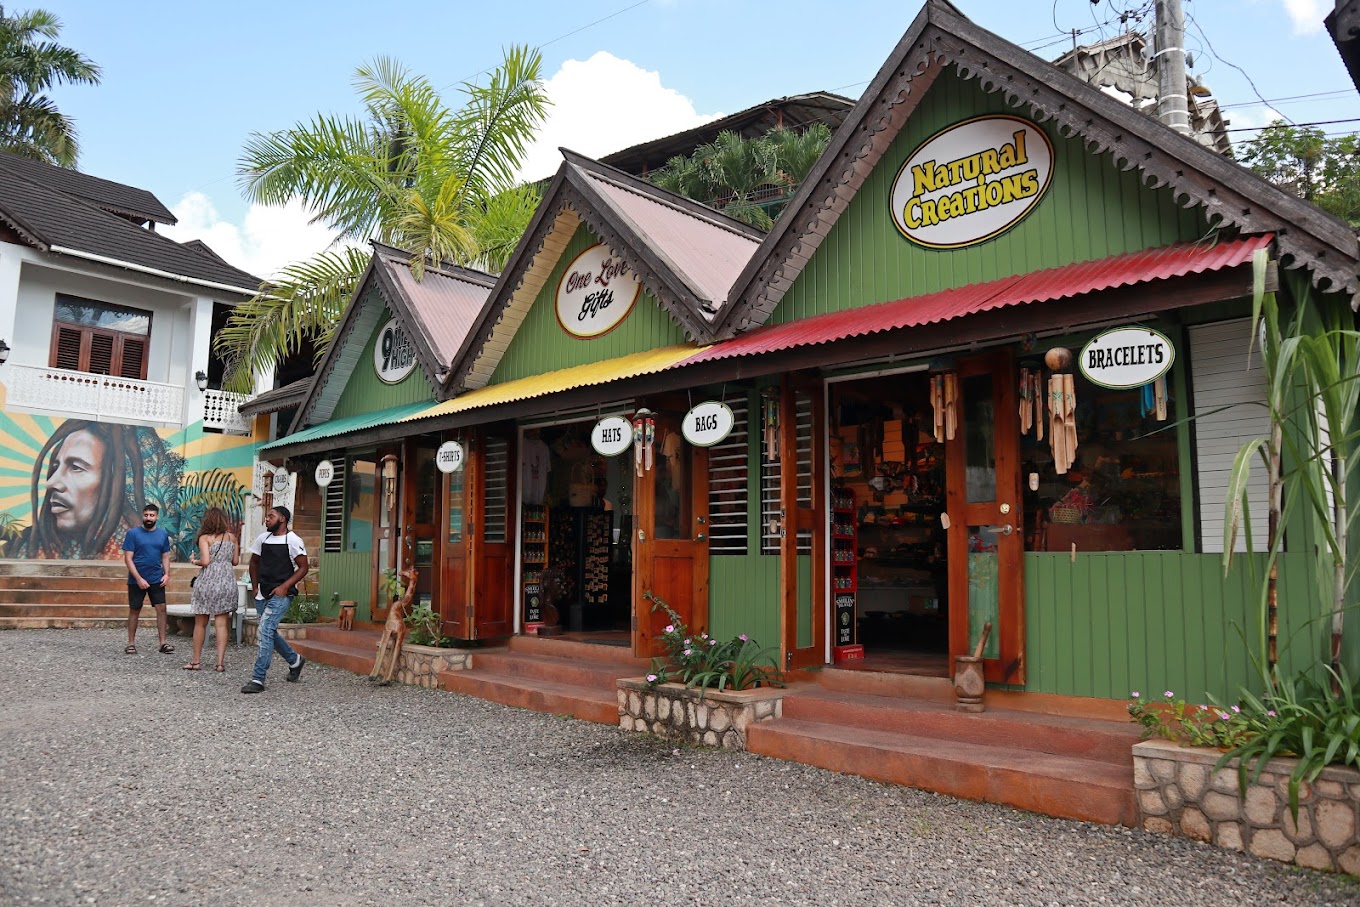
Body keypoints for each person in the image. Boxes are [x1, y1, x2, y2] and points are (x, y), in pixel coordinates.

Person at [24, 421, 146, 560]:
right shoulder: (26, 546)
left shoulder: (139, 552)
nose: (51, 483)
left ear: (113, 481)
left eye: (76, 467)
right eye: (55, 467)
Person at [241, 505, 308, 693]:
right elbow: (254, 562)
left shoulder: (294, 540)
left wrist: (285, 587)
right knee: (269, 630)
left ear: (282, 519)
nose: (266, 519)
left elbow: (303, 567)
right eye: (266, 516)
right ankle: (295, 660)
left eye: (271, 516)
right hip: (262, 593)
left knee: (264, 630)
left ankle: (258, 678)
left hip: (282, 594)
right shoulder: (263, 539)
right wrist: (255, 587)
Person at [183, 506, 240, 673]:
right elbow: (235, 561)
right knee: (222, 624)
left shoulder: (205, 538)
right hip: (227, 582)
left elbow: (206, 561)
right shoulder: (232, 538)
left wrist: (194, 561)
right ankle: (220, 663)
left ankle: (196, 662)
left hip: (208, 582)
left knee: (200, 623)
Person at [122, 503, 172, 655]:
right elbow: (128, 559)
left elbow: (165, 556)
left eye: (152, 515)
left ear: (157, 517)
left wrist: (167, 574)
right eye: (146, 515)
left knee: (162, 609)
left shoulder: (162, 535)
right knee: (134, 610)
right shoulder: (133, 534)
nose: (148, 518)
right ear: (142, 516)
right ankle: (131, 643)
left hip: (157, 578)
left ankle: (163, 643)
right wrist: (138, 578)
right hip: (136, 579)